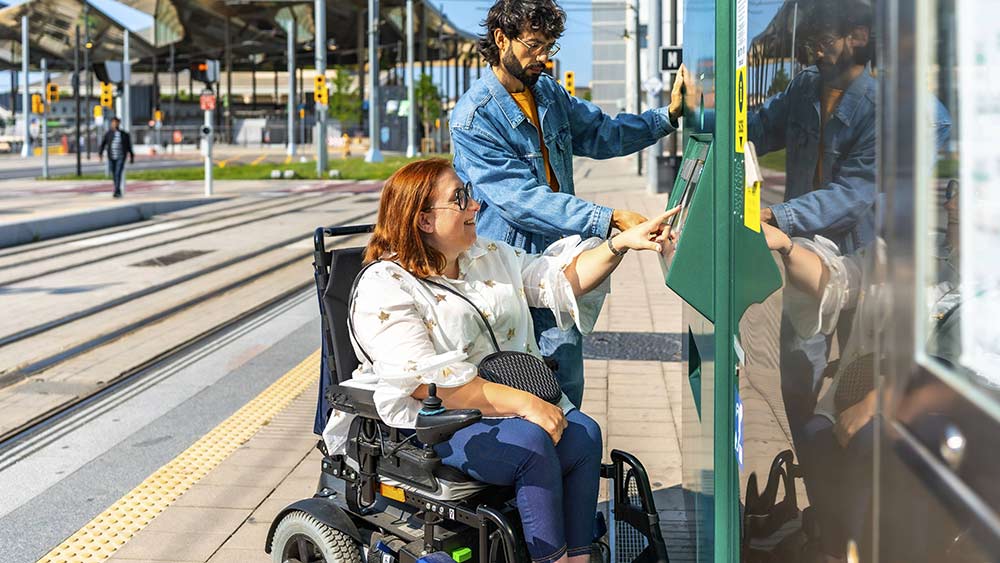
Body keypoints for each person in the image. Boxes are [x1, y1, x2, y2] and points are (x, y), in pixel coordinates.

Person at [323, 158, 678, 563]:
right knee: (531, 444)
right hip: (436, 421)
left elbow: (559, 279)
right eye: (460, 199)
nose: (476, 206)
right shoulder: (384, 287)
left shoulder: (487, 255)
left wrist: (619, 244)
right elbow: (427, 383)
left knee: (583, 434)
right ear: (423, 220)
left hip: (510, 402)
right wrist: (527, 404)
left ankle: (578, 556)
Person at [450, 0, 685, 408]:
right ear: (501, 39)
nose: (544, 58)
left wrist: (668, 116)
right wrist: (608, 217)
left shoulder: (548, 93)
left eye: (550, 46)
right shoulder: (474, 118)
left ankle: (566, 465)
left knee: (565, 379)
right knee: (523, 391)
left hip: (559, 261)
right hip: (509, 269)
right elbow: (520, 199)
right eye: (534, 45)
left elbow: (602, 134)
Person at [98, 117, 134, 198]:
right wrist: (100, 154)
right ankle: (117, 189)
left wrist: (131, 156)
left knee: (118, 173)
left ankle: (116, 190)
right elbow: (103, 144)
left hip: (121, 156)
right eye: (113, 123)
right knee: (114, 174)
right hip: (111, 157)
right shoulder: (108, 134)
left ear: (119, 123)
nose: (115, 124)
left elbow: (129, 146)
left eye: (116, 122)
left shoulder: (124, 134)